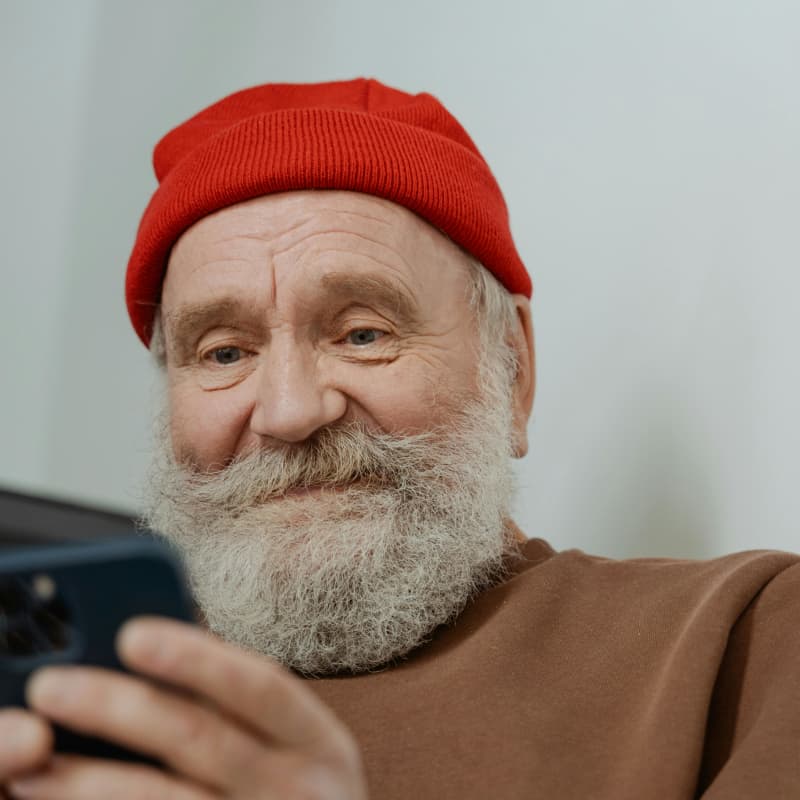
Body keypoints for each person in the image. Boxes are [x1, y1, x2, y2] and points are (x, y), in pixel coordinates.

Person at [1, 78, 799, 800]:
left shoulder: (746, 640)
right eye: (225, 353)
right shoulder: (58, 691)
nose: (288, 411)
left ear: (513, 368)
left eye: (361, 333)